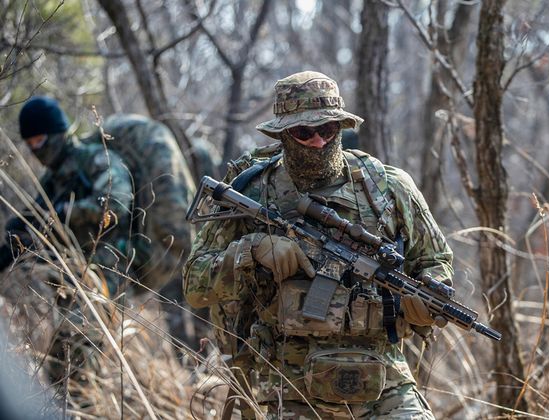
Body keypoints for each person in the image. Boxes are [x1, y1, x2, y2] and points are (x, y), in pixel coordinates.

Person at [183, 71, 454, 418]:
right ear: (282, 134)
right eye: (304, 132)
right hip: (283, 384)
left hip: (383, 380)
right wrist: (250, 251)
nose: (318, 142)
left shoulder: (388, 188)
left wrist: (428, 296)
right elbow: (194, 284)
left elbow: (436, 260)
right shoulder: (250, 189)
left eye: (328, 130)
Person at [0, 96, 133, 294]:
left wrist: (66, 212)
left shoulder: (95, 159)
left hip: (107, 271)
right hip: (69, 279)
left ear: (58, 133)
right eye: (31, 144)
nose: (37, 149)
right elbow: (37, 216)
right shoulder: (51, 181)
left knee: (83, 324)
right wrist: (20, 233)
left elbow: (116, 204)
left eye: (40, 140)